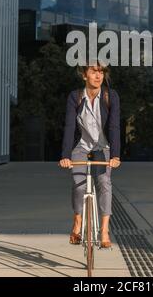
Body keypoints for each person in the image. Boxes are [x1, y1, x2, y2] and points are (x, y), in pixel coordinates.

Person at [59, 62, 121, 248]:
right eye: (94, 71)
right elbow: (70, 126)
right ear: (84, 75)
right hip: (81, 146)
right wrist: (65, 155)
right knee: (79, 185)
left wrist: (115, 155)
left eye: (101, 72)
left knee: (104, 183)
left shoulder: (111, 96)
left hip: (103, 148)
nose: (98, 75)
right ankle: (77, 222)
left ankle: (104, 230)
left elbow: (114, 126)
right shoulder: (75, 97)